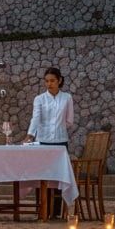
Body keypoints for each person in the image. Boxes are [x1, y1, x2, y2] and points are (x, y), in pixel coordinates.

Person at [25, 66, 74, 217]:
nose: (49, 84)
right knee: (42, 176)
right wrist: (30, 135)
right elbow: (36, 118)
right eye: (46, 81)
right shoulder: (39, 99)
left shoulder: (67, 98)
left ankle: (56, 212)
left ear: (59, 80)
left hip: (60, 142)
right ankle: (42, 210)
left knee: (59, 176)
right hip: (43, 142)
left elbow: (69, 121)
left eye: (52, 80)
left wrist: (58, 129)